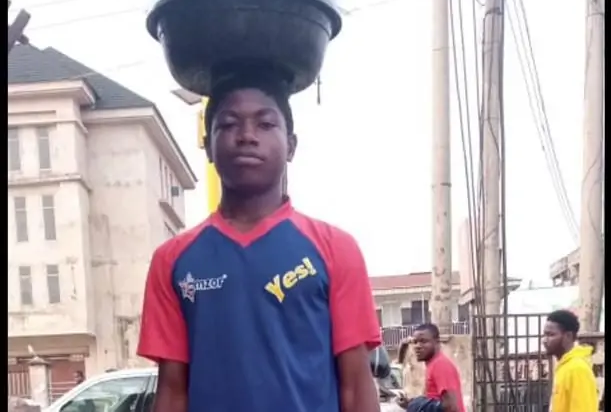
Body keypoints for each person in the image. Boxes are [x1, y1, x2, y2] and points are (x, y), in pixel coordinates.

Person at [137, 75, 381, 412]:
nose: (247, 136)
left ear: (291, 146)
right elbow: (173, 390)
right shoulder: (173, 260)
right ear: (208, 147)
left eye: (265, 124)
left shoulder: (336, 249)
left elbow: (355, 385)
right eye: (229, 124)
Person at [397, 324, 464, 412]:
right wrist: (411, 404)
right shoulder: (433, 365)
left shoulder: (440, 364)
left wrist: (417, 405)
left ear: (437, 342)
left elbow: (451, 406)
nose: (418, 346)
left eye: (423, 341)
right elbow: (434, 400)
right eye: (415, 342)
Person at [543, 309, 598, 412]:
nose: (545, 340)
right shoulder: (564, 366)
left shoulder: (577, 369)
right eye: (544, 335)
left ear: (568, 336)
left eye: (551, 335)